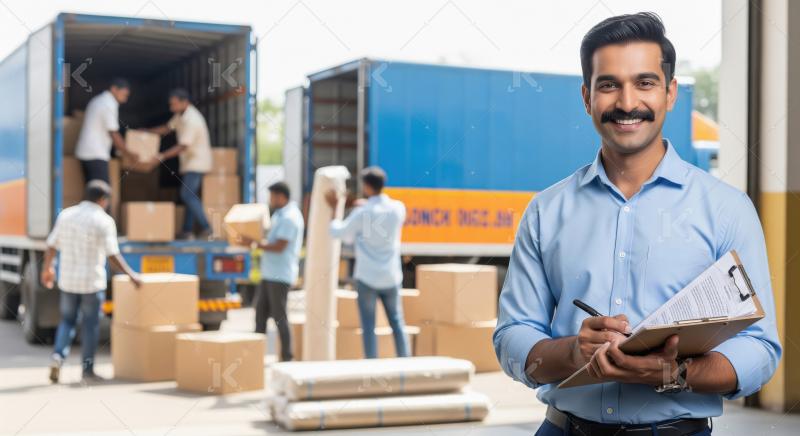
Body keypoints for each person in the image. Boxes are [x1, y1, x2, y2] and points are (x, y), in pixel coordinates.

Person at [493, 13, 781, 436]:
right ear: (587, 98)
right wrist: (574, 352)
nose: (627, 102)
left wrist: (671, 373)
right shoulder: (545, 210)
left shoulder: (726, 209)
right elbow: (512, 337)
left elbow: (759, 350)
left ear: (670, 93)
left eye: (644, 83)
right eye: (608, 84)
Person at [42, 180, 142, 384]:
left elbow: (51, 245)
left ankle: (58, 357)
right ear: (102, 200)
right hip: (91, 283)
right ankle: (87, 370)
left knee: (67, 321)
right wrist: (132, 275)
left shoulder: (66, 215)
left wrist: (48, 268)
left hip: (68, 281)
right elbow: (112, 255)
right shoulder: (103, 221)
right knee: (90, 325)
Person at [325, 167, 410, 359]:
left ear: (367, 187)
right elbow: (381, 211)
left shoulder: (361, 214)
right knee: (397, 323)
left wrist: (333, 209)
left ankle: (372, 366)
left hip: (367, 277)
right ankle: (406, 362)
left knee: (369, 327)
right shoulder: (398, 208)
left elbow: (339, 233)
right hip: (391, 276)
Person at [241, 182, 304, 362]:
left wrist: (254, 244)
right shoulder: (279, 214)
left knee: (279, 317)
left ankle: (287, 357)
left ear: (281, 196)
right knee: (260, 314)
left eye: (272, 196)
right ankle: (255, 356)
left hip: (280, 275)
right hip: (269, 274)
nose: (271, 200)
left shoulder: (290, 217)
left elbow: (279, 246)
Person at [147, 88, 213, 240]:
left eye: (174, 104)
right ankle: (187, 231)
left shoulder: (192, 119)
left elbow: (183, 146)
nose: (171, 108)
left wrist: (162, 156)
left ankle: (208, 228)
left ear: (185, 102)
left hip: (197, 162)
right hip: (190, 162)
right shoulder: (180, 115)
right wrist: (147, 132)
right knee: (189, 195)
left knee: (186, 194)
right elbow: (167, 128)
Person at [75, 78, 133, 183]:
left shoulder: (98, 100)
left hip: (87, 152)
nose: (125, 99)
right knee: (102, 193)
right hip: (95, 154)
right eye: (124, 95)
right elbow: (113, 133)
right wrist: (129, 153)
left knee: (94, 191)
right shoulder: (109, 103)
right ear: (114, 89)